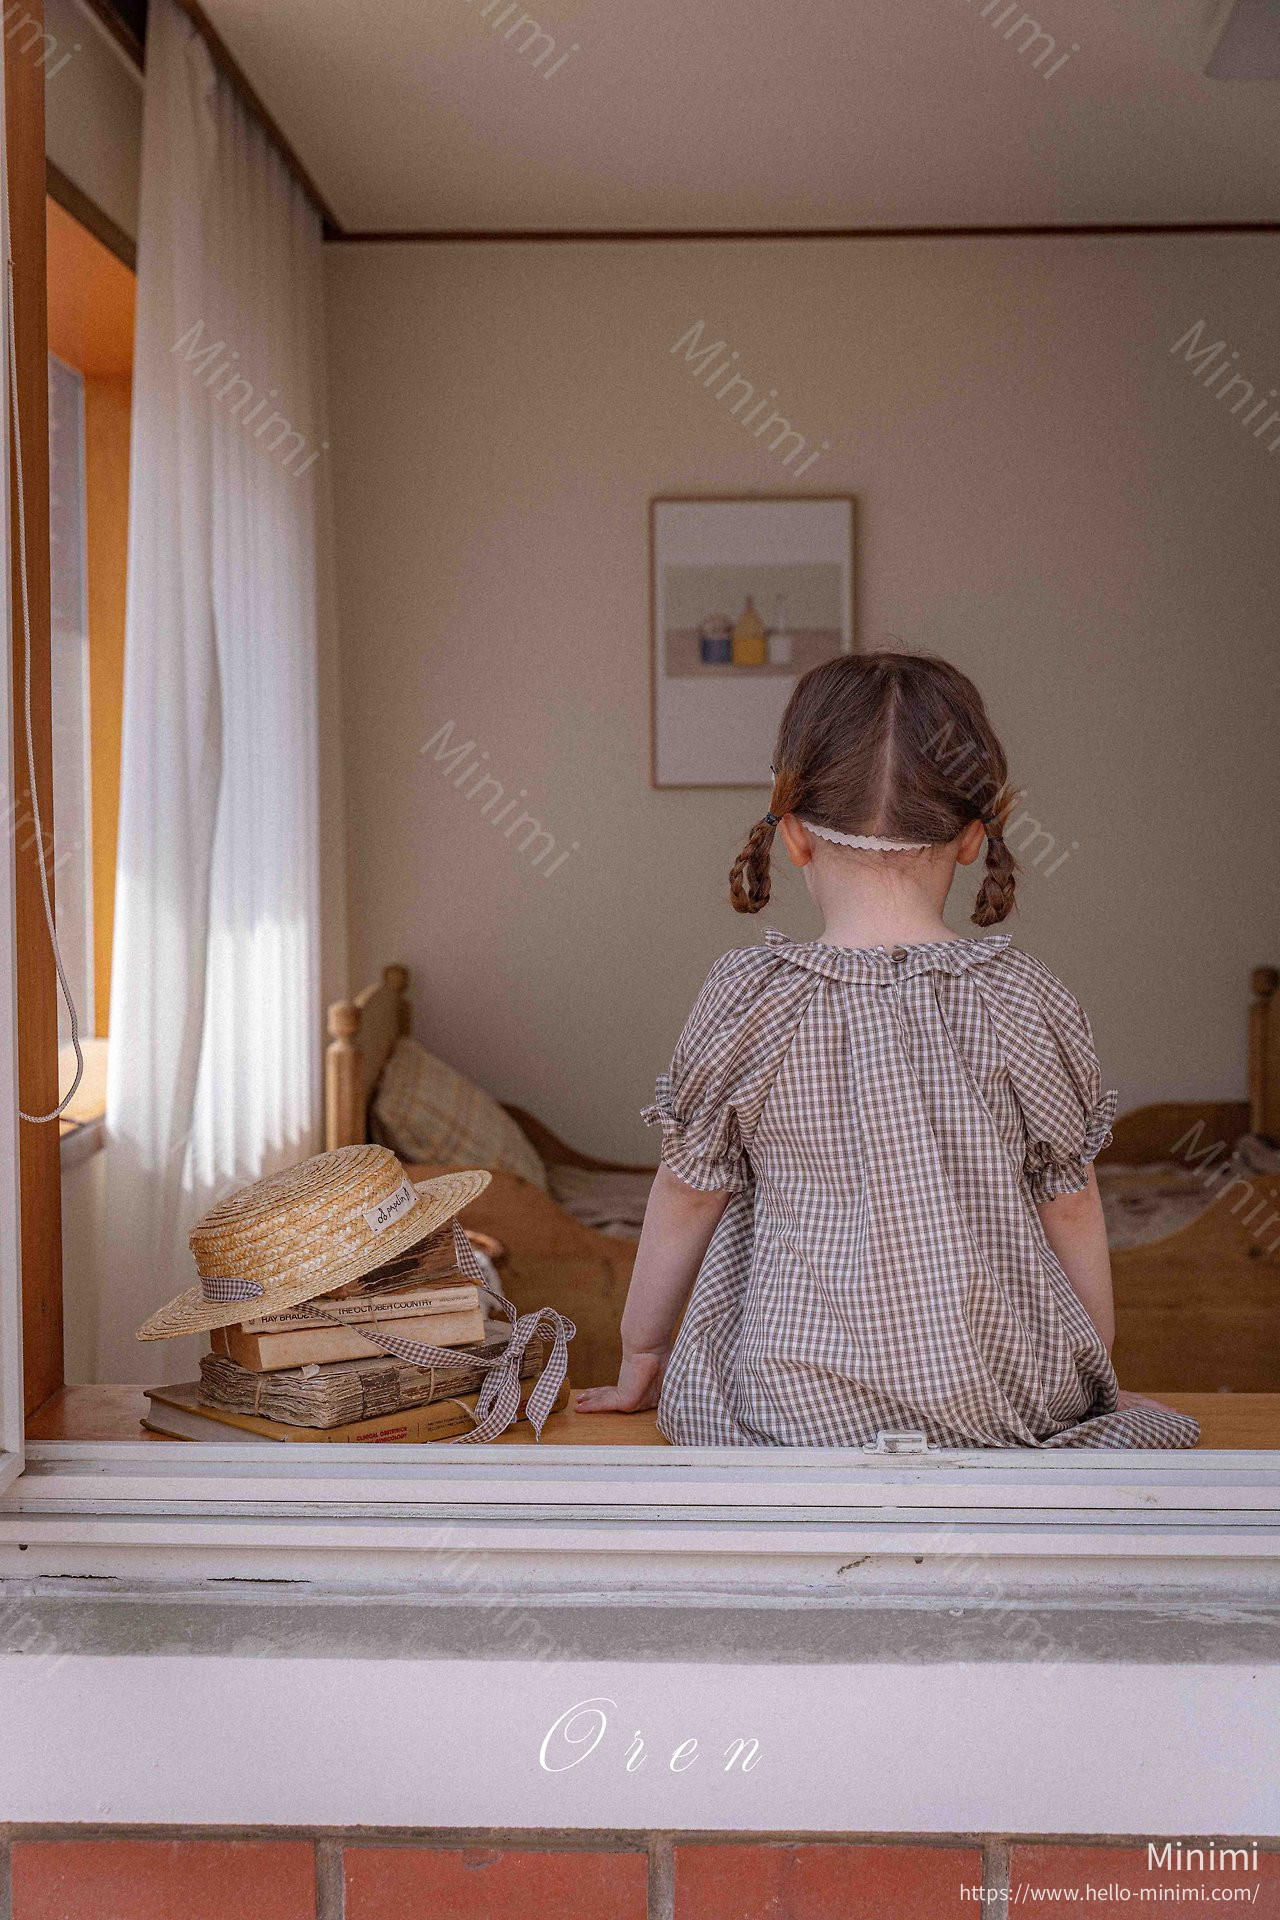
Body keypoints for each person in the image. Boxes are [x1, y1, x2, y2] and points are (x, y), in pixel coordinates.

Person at [578, 652, 1196, 1449]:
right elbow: (1071, 1203)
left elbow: (688, 1196)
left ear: (793, 834)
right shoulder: (1024, 996)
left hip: (792, 1403)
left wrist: (643, 1353)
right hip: (998, 1401)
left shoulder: (750, 998)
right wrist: (1096, 1370)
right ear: (971, 838)